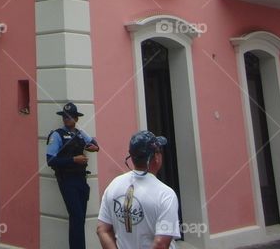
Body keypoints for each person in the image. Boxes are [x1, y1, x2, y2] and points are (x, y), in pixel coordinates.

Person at [97, 130, 180, 249]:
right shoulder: (165, 194)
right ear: (156, 156)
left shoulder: (114, 185)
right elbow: (161, 244)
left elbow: (102, 230)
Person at [46, 102, 100, 249]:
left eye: (70, 117)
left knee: (80, 218)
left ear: (76, 119)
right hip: (67, 180)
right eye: (65, 116)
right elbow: (50, 160)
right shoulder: (57, 135)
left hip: (81, 180)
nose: (67, 119)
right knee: (76, 216)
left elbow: (95, 145)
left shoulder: (80, 133)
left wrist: (93, 147)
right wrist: (73, 160)